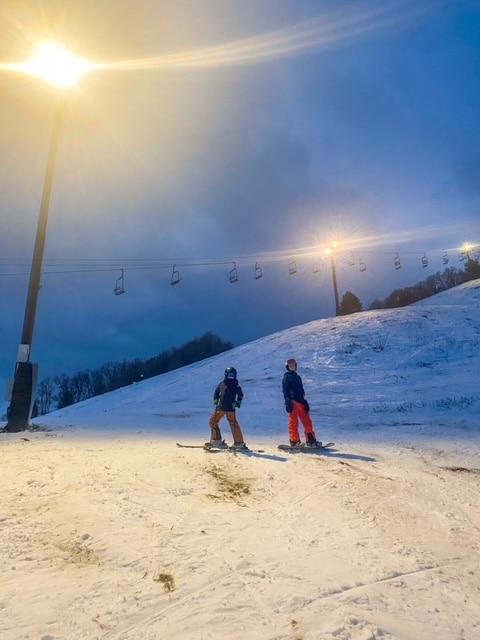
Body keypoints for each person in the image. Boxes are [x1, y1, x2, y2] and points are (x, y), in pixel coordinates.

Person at [282, 358, 321, 447]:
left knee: (307, 421)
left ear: (295, 366)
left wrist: (305, 401)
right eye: (290, 366)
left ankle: (311, 440)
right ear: (287, 367)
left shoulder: (298, 377)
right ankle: (294, 441)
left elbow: (302, 391)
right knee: (294, 421)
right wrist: (287, 401)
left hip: (300, 402)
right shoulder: (286, 377)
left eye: (293, 365)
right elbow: (285, 390)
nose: (292, 367)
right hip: (292, 402)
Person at [207, 367, 247, 449]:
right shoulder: (222, 384)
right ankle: (216, 440)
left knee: (233, 423)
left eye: (233, 375)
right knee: (213, 421)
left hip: (230, 407)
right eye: (230, 374)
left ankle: (239, 443)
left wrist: (238, 402)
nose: (231, 376)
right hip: (220, 407)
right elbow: (216, 392)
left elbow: (240, 394)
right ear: (226, 375)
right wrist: (216, 399)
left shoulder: (235, 384)